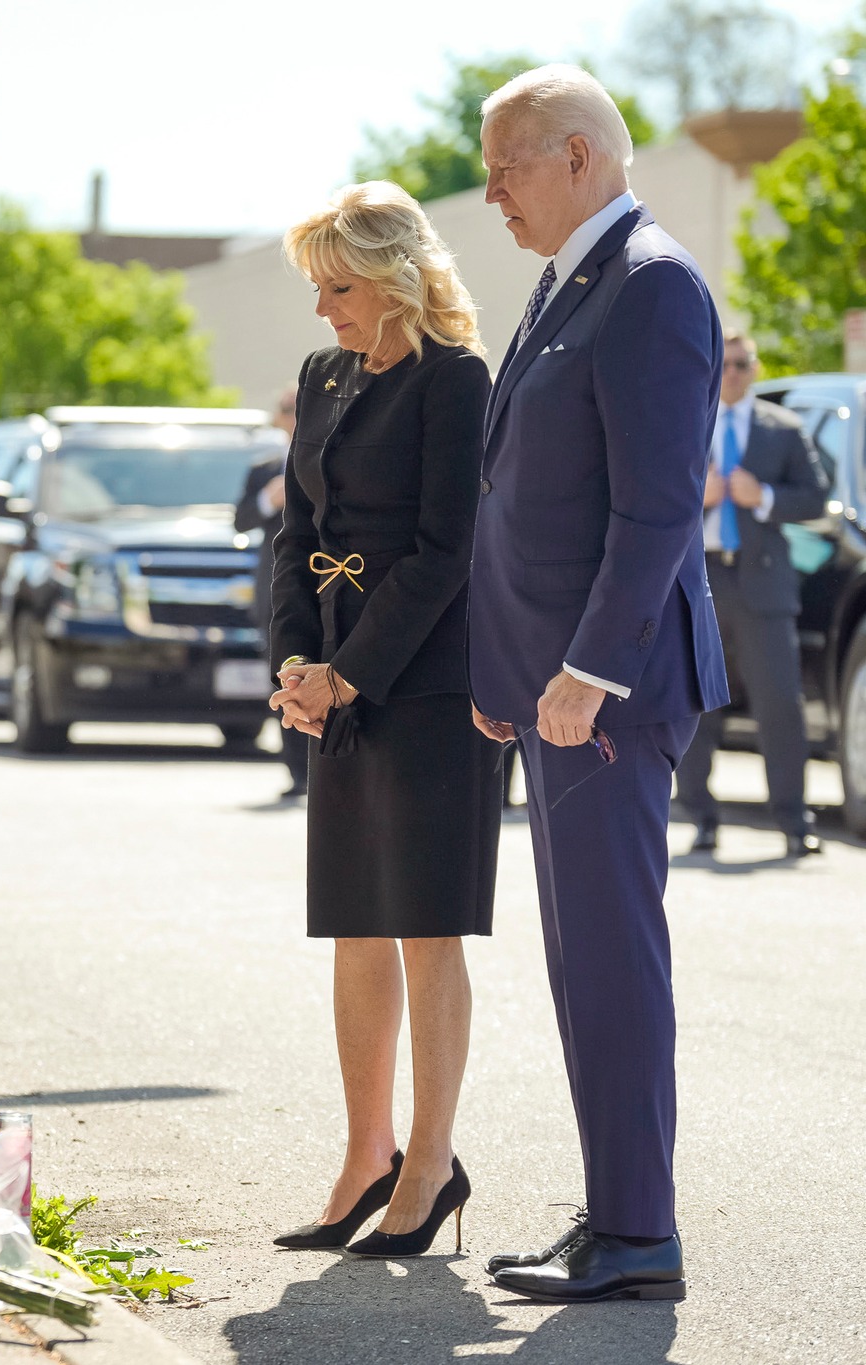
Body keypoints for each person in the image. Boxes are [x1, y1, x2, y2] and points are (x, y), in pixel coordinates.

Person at [470, 66, 728, 1303]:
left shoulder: (649, 283)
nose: (488, 193)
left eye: (504, 164)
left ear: (576, 155)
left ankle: (637, 1236)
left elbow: (655, 506)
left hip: (606, 697)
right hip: (555, 692)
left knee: (610, 960)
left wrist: (581, 670)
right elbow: (521, 495)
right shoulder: (574, 277)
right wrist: (508, 672)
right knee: (581, 963)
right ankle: (619, 1212)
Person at [267, 182, 498, 1259]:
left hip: (425, 681)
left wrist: (349, 675)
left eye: (339, 287)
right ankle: (365, 1157)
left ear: (396, 277)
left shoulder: (455, 381)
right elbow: (294, 528)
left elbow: (448, 551)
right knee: (351, 918)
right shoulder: (321, 377)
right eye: (317, 289)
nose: (323, 310)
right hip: (334, 677)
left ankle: (430, 1160)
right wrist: (294, 660)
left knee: (424, 923)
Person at [677, 331, 829, 858]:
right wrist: (700, 496)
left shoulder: (783, 429)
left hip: (764, 584)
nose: (734, 373)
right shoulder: (687, 426)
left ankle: (793, 821)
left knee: (780, 706)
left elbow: (817, 497)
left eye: (743, 364)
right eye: (727, 364)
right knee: (698, 704)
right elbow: (649, 494)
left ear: (756, 368)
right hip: (703, 582)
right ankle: (700, 817)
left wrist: (761, 495)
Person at [235, 385, 307, 799]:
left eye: (300, 408)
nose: (294, 416)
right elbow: (240, 519)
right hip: (276, 588)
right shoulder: (265, 469)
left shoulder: (332, 458)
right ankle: (298, 774)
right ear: (277, 418)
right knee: (283, 674)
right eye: (287, 410)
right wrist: (268, 499)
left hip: (321, 583)